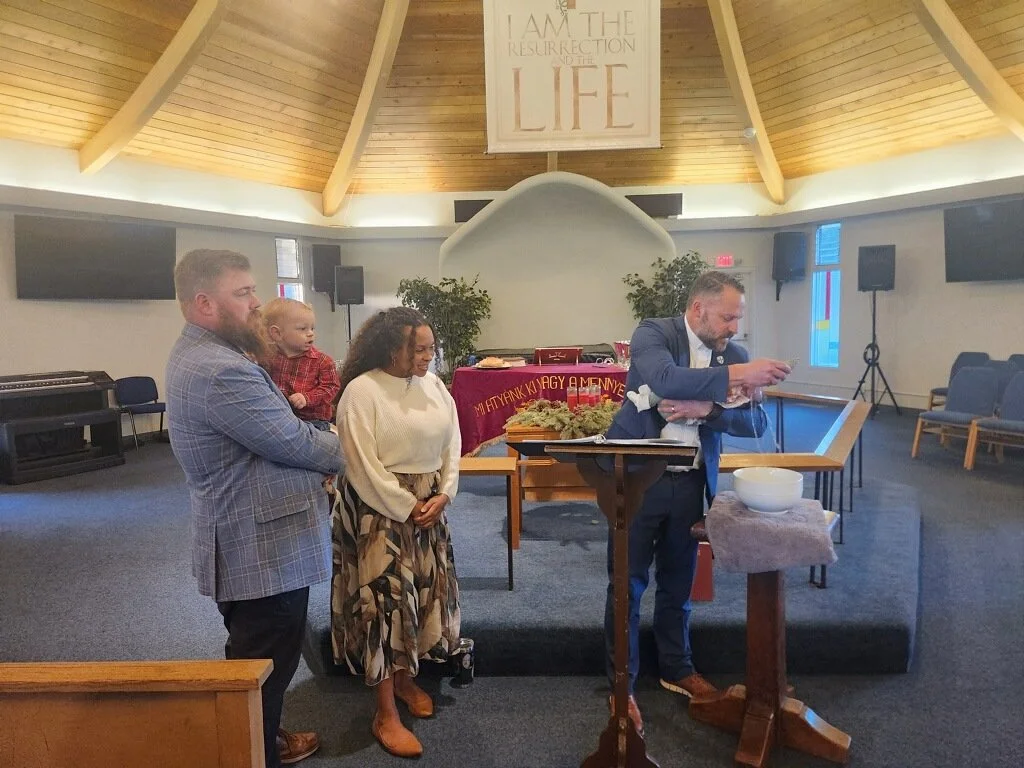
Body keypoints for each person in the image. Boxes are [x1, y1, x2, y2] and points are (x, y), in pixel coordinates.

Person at [166, 249, 341, 768]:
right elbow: (295, 444)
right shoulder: (221, 369)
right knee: (264, 662)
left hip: (241, 533)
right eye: (243, 293)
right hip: (260, 548)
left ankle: (264, 734)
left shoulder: (203, 351)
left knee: (252, 658)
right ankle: (253, 751)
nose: (258, 304)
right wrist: (354, 445)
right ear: (204, 303)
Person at [602, 270, 792, 735]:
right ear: (697, 310)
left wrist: (708, 410)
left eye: (738, 319)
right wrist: (736, 379)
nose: (734, 328)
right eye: (728, 317)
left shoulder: (734, 354)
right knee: (626, 585)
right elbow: (664, 380)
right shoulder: (655, 333)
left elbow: (755, 425)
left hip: (690, 483)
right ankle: (620, 685)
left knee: (679, 582)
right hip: (637, 480)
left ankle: (676, 666)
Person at [331, 306, 462, 759]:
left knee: (421, 596)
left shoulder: (435, 385)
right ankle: (384, 710)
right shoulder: (361, 392)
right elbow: (360, 465)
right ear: (391, 349)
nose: (428, 357)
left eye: (431, 348)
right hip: (380, 513)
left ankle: (406, 680)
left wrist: (445, 492)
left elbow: (453, 442)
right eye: (418, 349)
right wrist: (407, 506)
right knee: (382, 607)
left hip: (428, 507)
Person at [260, 297, 341, 431]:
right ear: (277, 333)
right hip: (280, 417)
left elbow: (331, 387)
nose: (310, 334)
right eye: (302, 329)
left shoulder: (322, 361)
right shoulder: (267, 357)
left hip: (313, 421)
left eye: (312, 328)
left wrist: (307, 397)